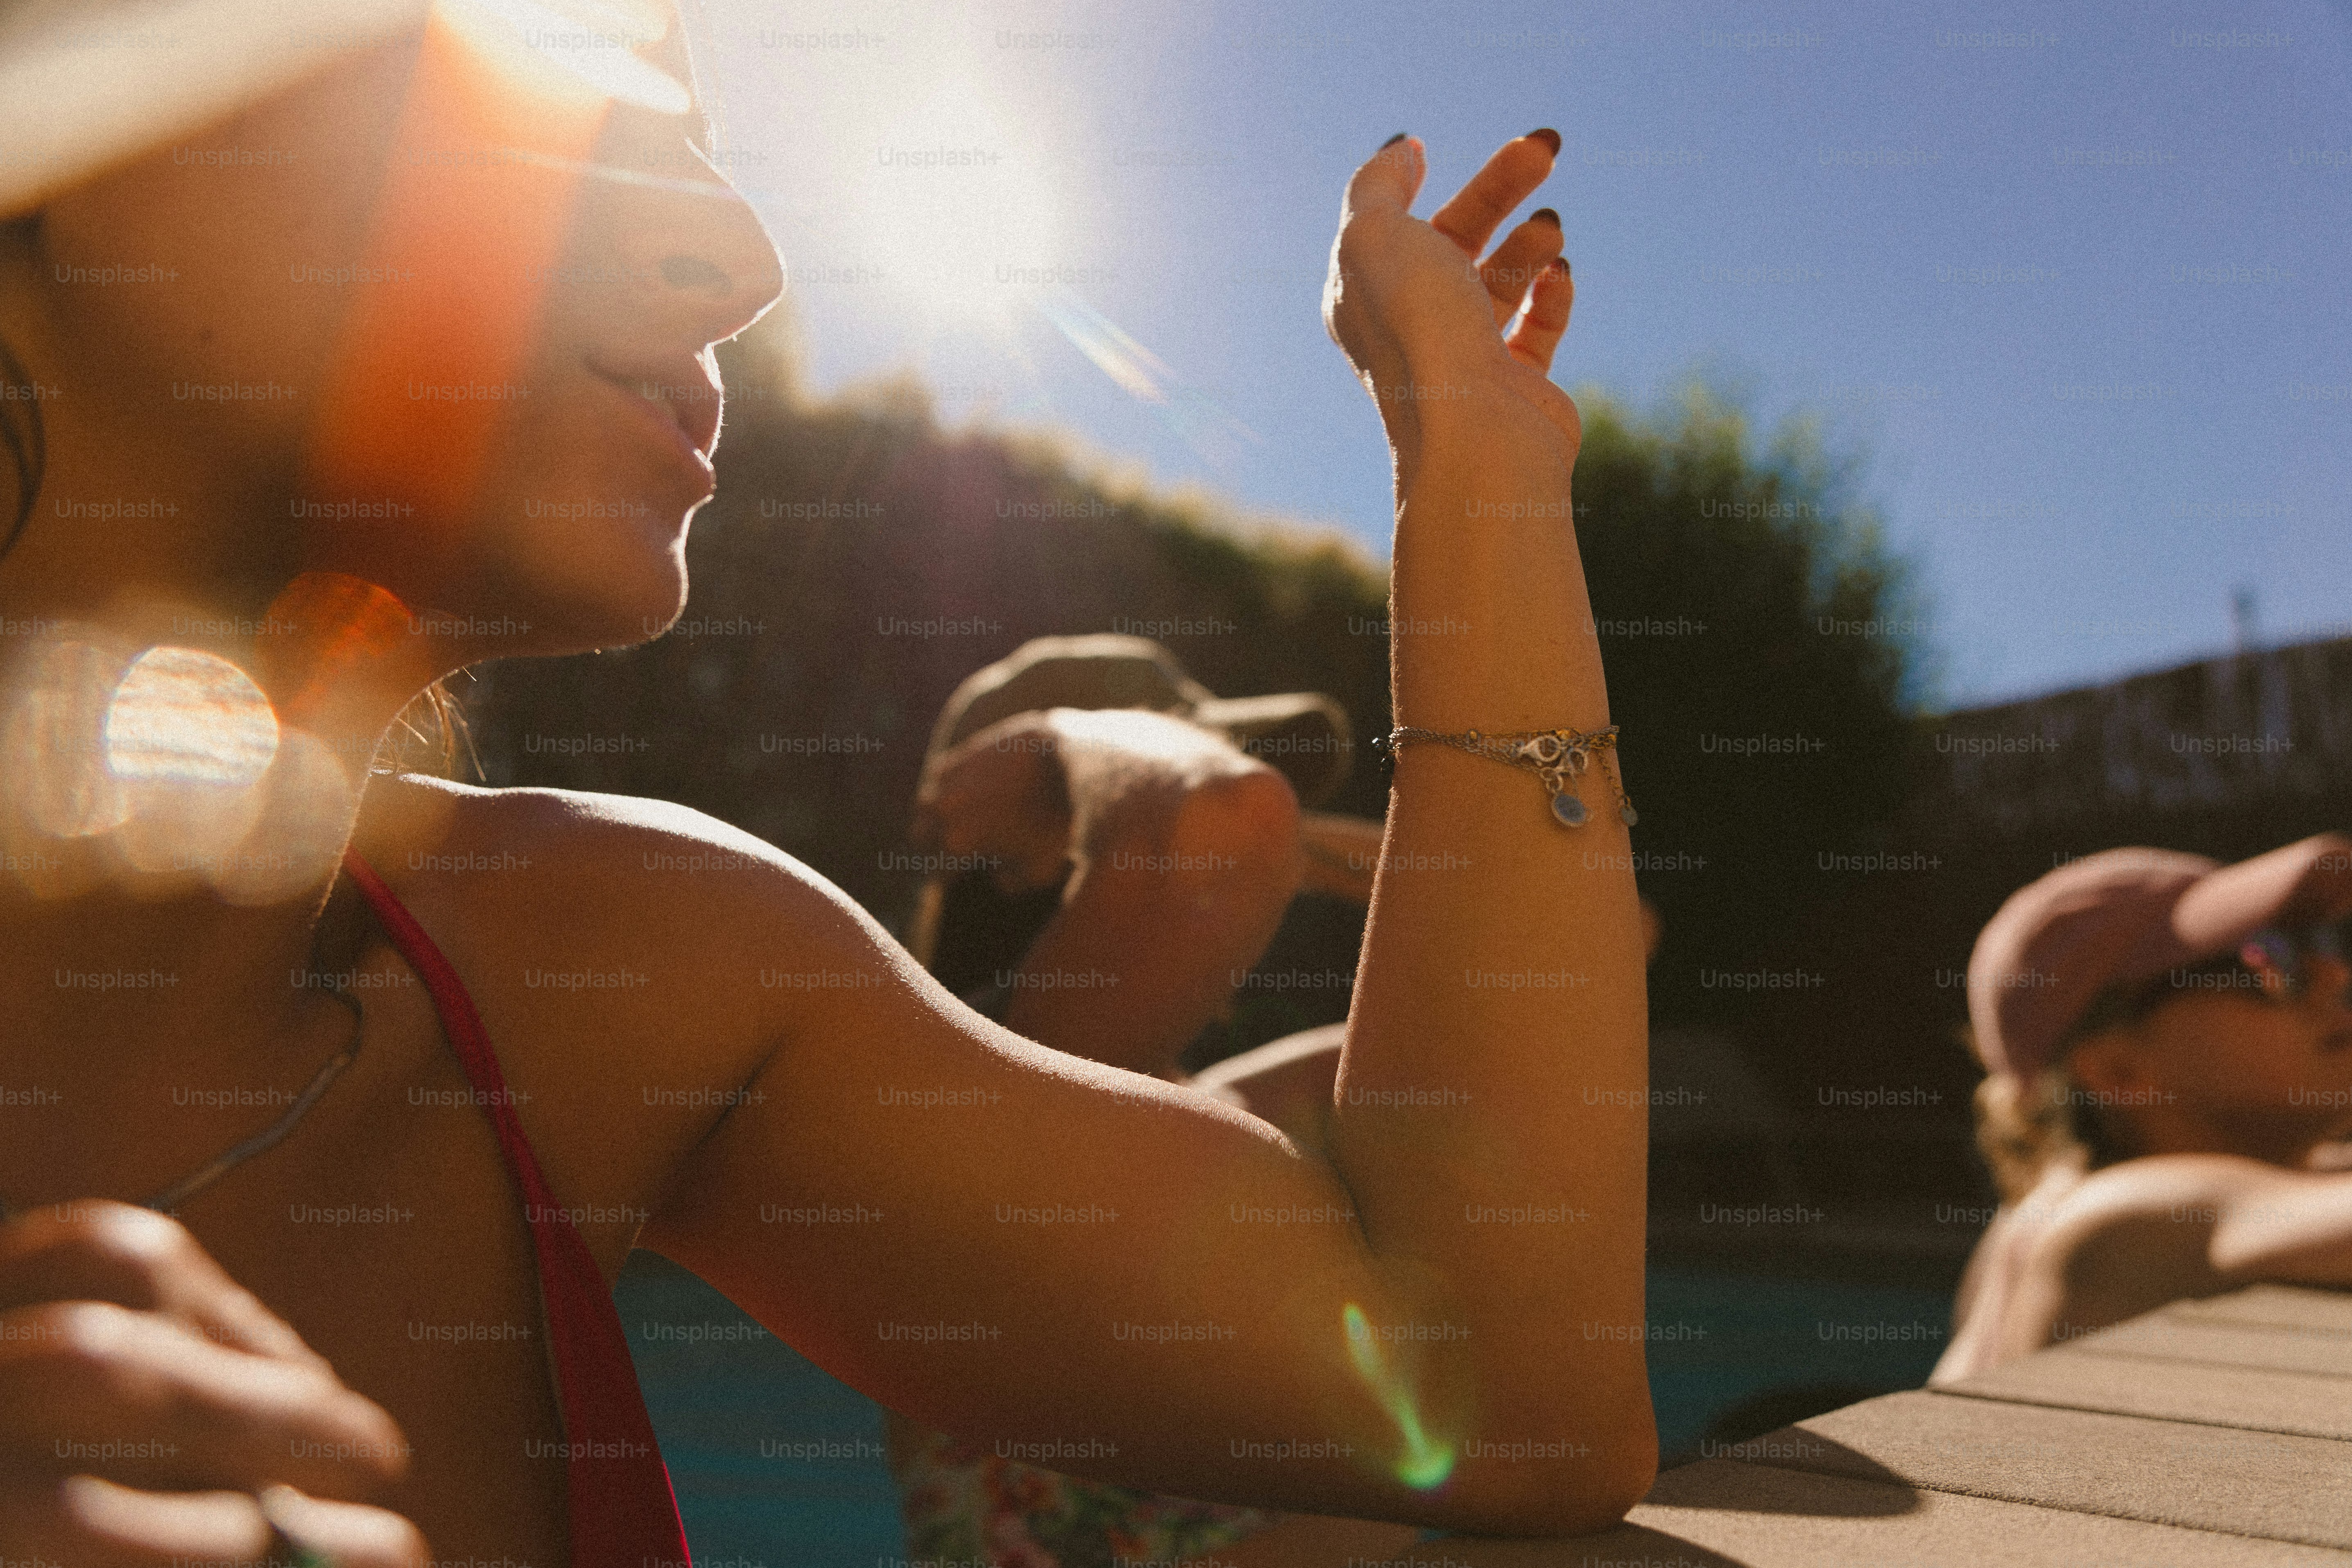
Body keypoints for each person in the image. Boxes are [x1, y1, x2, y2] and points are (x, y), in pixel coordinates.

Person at [0, 3, 1656, 1561]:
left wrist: (1478, 465)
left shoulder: (617, 970)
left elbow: (1496, 1386)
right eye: (554, 62)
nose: (740, 259)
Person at [889, 635, 1426, 1567]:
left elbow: (1595, 952)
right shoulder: (983, 1077)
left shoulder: (1173, 1110)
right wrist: (1053, 740)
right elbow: (1219, 827)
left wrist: (1304, 854)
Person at [1931, 836, 2352, 1384]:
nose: (2333, 975)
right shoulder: (2120, 1216)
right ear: (2117, 1069)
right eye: (2261, 957)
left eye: (2308, 942)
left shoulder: (2027, 1215)